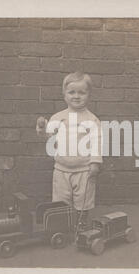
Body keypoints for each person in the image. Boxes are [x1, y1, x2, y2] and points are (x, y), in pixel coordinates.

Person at [36, 71, 102, 232]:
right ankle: (61, 226)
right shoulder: (58, 117)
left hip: (84, 170)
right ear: (64, 94)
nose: (76, 96)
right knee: (61, 199)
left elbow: (97, 142)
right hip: (61, 169)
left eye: (82, 92)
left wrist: (95, 162)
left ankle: (81, 224)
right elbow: (49, 137)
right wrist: (42, 128)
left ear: (89, 95)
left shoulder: (92, 120)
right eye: (71, 92)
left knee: (83, 199)